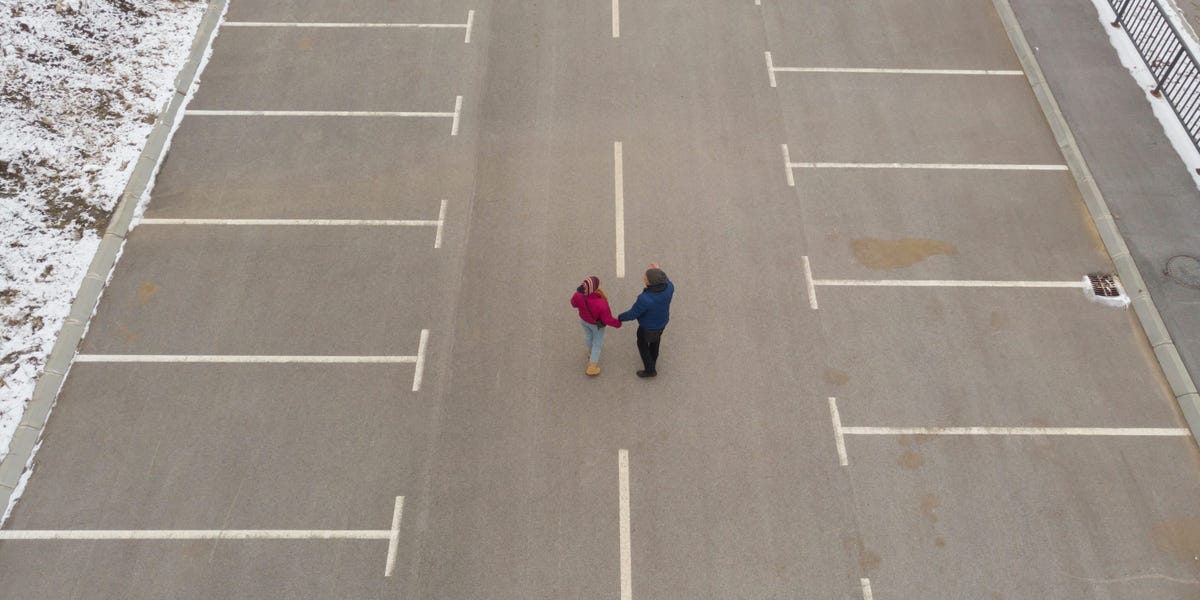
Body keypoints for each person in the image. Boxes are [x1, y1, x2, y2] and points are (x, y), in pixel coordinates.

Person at [618, 263, 674, 378]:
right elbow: (666, 279)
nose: (644, 277)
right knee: (655, 341)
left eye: (646, 277)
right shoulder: (669, 288)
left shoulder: (645, 299)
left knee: (642, 344)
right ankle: (653, 360)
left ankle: (650, 370)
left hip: (648, 327)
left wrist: (620, 317)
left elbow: (632, 314)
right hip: (662, 322)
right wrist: (658, 270)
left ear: (649, 283)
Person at [571, 276, 622, 376]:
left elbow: (573, 304)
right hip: (596, 325)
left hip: (584, 320)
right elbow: (607, 319)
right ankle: (592, 367)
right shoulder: (601, 303)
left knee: (588, 336)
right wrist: (618, 323)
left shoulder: (578, 295)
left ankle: (590, 352)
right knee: (597, 344)